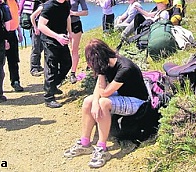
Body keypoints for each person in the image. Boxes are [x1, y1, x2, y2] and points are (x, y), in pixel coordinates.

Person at [63, 38, 148, 168]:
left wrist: (100, 76)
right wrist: (94, 103)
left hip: (137, 101)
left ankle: (102, 148)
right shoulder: (107, 64)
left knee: (103, 103)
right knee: (88, 101)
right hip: (121, 95)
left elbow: (105, 92)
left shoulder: (125, 68)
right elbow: (100, 88)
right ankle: (85, 142)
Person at [38, 0, 73, 108]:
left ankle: (53, 86)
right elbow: (41, 25)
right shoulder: (49, 6)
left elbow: (67, 16)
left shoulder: (66, 3)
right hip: (50, 40)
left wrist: (69, 31)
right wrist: (57, 36)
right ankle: (49, 98)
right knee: (51, 67)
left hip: (62, 38)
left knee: (67, 63)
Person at [3, 0, 24, 92]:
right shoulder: (3, 1)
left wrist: (19, 32)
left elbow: (16, 17)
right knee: (0, 61)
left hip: (13, 33)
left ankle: (15, 81)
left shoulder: (14, 0)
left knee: (14, 59)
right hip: (4, 35)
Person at [67, 0, 89, 84]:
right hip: (63, 25)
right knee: (64, 49)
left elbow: (86, 11)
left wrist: (74, 13)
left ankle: (73, 73)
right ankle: (63, 71)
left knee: (74, 49)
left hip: (75, 24)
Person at [29, 0, 55, 77]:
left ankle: (38, 66)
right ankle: (34, 68)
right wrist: (35, 28)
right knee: (36, 49)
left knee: (41, 48)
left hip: (43, 30)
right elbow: (32, 16)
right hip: (37, 30)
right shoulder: (42, 7)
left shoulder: (47, 7)